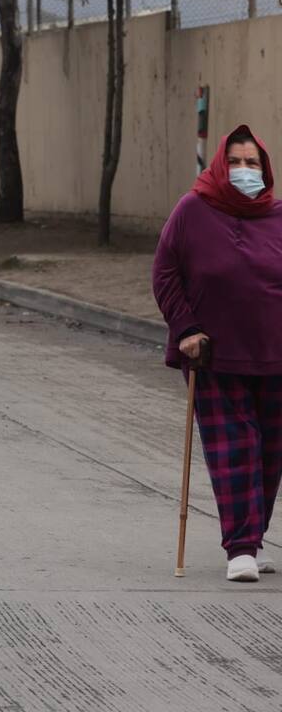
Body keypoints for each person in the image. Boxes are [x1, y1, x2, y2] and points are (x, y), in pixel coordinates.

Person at [153, 125, 282, 583]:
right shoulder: (193, 210)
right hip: (214, 353)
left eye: (253, 163)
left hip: (273, 353)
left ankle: (255, 536)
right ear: (219, 167)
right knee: (237, 448)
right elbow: (165, 273)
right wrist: (186, 328)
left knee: (270, 452)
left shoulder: (277, 214)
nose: (245, 171)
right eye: (236, 162)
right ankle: (240, 547)